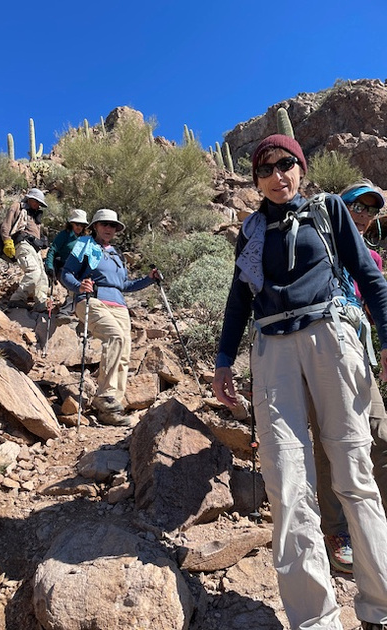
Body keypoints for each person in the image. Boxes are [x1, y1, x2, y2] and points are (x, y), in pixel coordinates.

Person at [213, 134, 387, 630]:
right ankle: (315, 620)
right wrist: (225, 362)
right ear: (256, 181)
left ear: (301, 168)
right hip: (272, 350)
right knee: (287, 483)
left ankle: (380, 607)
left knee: (354, 474)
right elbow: (238, 302)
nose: (276, 175)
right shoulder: (251, 233)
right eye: (265, 169)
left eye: (285, 164)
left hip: (330, 337)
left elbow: (371, 280)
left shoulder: (329, 211)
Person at [313, 179, 387, 574]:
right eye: (358, 206)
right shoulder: (319, 242)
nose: (364, 215)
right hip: (322, 346)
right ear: (341, 207)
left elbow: (375, 298)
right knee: (329, 439)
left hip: (358, 349)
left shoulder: (372, 259)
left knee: (380, 433)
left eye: (372, 210)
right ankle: (336, 530)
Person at [61, 208, 161, 426]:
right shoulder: (85, 244)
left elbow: (124, 285)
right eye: (104, 224)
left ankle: (112, 409)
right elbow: (66, 273)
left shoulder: (116, 254)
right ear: (95, 226)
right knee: (114, 337)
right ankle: (104, 397)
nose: (108, 228)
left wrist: (149, 279)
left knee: (124, 352)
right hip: (93, 300)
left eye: (112, 226)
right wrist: (80, 286)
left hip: (119, 306)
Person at [1, 188, 49, 311]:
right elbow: (6, 225)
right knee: (34, 272)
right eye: (36, 202)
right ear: (30, 198)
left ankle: (41, 303)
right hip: (22, 244)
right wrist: (7, 241)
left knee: (43, 276)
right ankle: (17, 298)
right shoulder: (18, 207)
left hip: (35, 248)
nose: (38, 205)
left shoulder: (35, 214)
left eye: (39, 203)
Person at [44, 209, 88, 324]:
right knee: (75, 288)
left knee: (82, 289)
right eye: (77, 224)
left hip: (78, 271)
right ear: (71, 223)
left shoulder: (85, 239)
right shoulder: (64, 235)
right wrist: (49, 267)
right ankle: (64, 313)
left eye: (82, 225)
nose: (79, 227)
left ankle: (75, 311)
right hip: (63, 268)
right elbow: (52, 250)